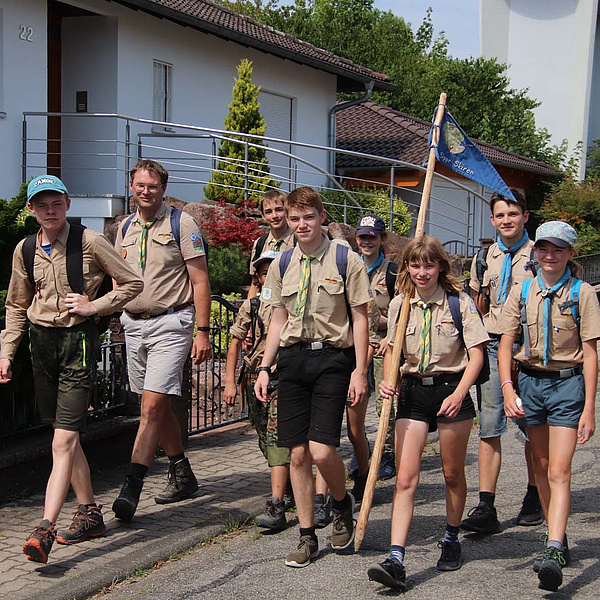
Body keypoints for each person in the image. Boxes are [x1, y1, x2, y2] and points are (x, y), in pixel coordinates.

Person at [0, 175, 143, 564]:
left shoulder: (89, 241)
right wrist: (7, 352)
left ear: (67, 204)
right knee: (67, 436)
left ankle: (44, 528)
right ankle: (91, 514)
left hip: (78, 343)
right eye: (41, 204)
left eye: (55, 203)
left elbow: (133, 283)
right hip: (41, 344)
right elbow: (16, 305)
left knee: (62, 442)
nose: (49, 210)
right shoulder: (25, 249)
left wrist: (95, 306)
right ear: (31, 210)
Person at [255, 186, 370, 568]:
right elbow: (277, 319)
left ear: (322, 217)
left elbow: (361, 318)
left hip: (332, 360)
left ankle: (340, 503)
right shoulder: (281, 263)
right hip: (291, 361)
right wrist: (265, 366)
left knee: (322, 450)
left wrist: (360, 370)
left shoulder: (345, 259)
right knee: (298, 453)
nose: (301, 224)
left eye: (308, 217)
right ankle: (307, 535)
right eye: (294, 218)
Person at [367, 236, 488, 590]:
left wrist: (462, 392)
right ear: (407, 267)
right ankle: (396, 557)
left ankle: (451, 537)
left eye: (429, 265)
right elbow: (391, 348)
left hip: (452, 390)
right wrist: (388, 380)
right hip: (414, 392)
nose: (422, 272)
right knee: (406, 478)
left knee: (452, 474)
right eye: (415, 265)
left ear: (440, 267)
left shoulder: (458, 302)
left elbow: (477, 353)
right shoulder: (399, 306)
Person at [498, 221, 599, 592]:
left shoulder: (582, 292)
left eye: (558, 249)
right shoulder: (523, 290)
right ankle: (555, 532)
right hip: (530, 383)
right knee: (539, 466)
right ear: (536, 251)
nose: (549, 256)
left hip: (567, 386)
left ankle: (553, 548)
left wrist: (589, 407)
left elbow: (590, 353)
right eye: (543, 248)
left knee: (559, 469)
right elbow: (506, 343)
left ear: (570, 254)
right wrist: (508, 389)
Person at [112, 160, 211, 521]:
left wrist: (203, 330)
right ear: (131, 185)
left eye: (152, 186)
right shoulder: (123, 226)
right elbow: (117, 277)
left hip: (172, 322)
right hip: (134, 325)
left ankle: (132, 485)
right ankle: (181, 472)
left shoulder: (181, 223)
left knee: (150, 408)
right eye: (139, 185)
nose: (145, 191)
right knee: (159, 405)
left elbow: (200, 281)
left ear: (162, 188)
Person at [461, 190, 543, 534]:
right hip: (495, 347)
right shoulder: (484, 257)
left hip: (531, 352)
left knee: (532, 426)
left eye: (513, 213)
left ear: (525, 216)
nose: (506, 220)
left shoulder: (540, 255)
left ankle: (535, 493)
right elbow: (479, 301)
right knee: (490, 424)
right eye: (500, 215)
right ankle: (486, 505)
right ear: (492, 220)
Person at [223, 250, 292, 531]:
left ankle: (276, 503)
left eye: (273, 270)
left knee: (277, 438)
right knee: (264, 438)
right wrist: (230, 381)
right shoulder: (251, 306)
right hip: (254, 377)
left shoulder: (293, 300)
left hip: (283, 376)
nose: (269, 276)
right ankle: (286, 487)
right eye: (264, 272)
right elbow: (235, 342)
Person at [355, 214, 397, 481]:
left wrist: (388, 338)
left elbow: (401, 310)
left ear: (382, 239)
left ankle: (386, 452)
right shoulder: (349, 266)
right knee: (356, 399)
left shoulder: (393, 272)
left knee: (385, 402)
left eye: (372, 237)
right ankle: (360, 450)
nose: (367, 242)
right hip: (357, 344)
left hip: (383, 344)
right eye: (363, 237)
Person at [247, 190, 294, 298]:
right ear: (263, 216)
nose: (274, 216)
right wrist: (250, 310)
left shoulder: (297, 241)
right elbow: (255, 283)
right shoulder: (260, 243)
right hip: (266, 306)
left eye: (279, 210)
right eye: (268, 212)